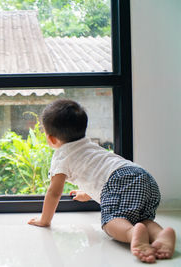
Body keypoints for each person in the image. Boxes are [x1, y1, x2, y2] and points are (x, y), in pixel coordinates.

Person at [28, 99, 175, 263]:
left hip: (120, 180)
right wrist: (88, 193)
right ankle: (161, 235)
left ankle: (132, 234)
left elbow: (54, 192)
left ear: (52, 139)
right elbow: (98, 172)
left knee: (111, 222)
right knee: (140, 219)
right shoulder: (88, 144)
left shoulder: (62, 156)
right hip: (143, 176)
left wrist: (44, 220)